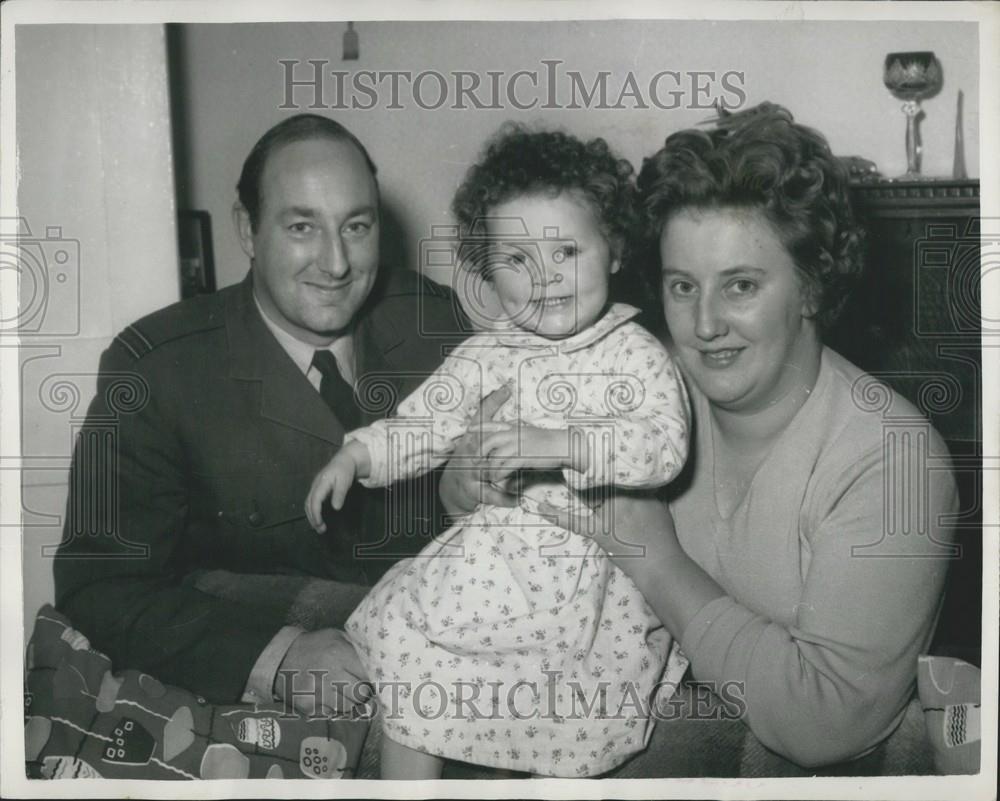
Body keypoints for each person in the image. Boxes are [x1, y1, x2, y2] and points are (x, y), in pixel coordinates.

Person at [440, 103, 960, 771]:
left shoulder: (894, 459)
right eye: (683, 286)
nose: (705, 322)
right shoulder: (633, 384)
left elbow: (826, 719)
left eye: (740, 285)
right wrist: (466, 486)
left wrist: (656, 559)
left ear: (811, 285)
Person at [306, 126, 691, 778]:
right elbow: (422, 424)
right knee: (415, 679)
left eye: (565, 250)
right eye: (516, 258)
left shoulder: (634, 352)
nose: (543, 279)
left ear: (615, 248)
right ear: (487, 264)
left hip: (588, 580)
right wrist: (358, 456)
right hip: (486, 577)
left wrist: (562, 443)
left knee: (571, 723)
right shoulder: (487, 353)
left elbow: (663, 446)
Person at [53, 114, 465, 717]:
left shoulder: (434, 322)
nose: (336, 263)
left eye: (356, 226)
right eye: (302, 226)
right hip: (277, 711)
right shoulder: (156, 369)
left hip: (447, 667)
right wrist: (278, 657)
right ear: (247, 229)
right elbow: (99, 586)